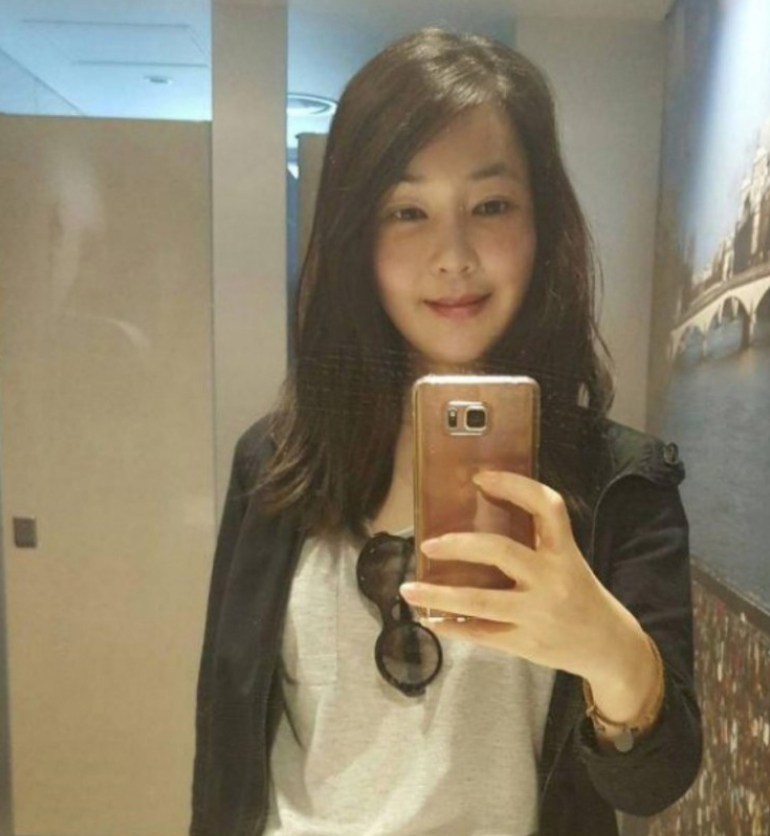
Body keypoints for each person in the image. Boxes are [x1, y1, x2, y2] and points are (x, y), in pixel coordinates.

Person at [190, 27, 702, 836]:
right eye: (407, 211)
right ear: (358, 236)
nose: (453, 256)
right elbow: (224, 743)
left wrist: (611, 653)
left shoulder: (620, 482)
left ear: (542, 223)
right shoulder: (277, 462)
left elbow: (653, 784)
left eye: (490, 206)